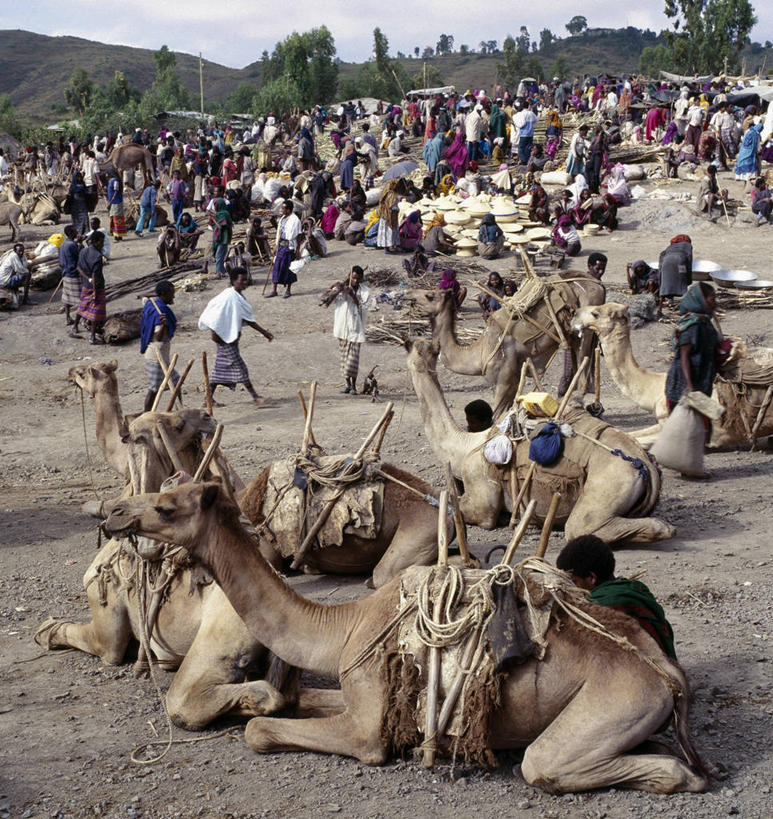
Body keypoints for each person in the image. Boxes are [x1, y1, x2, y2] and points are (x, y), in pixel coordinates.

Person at [556, 535, 677, 659]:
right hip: (670, 664)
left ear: (591, 578)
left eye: (574, 582)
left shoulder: (601, 605)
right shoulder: (634, 588)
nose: (572, 588)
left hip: (645, 671)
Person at [198, 267, 274, 407]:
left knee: (219, 369)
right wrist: (215, 334)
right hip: (224, 339)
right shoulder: (228, 297)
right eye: (242, 280)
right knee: (240, 367)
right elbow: (215, 317)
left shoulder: (237, 296)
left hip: (229, 339)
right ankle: (256, 397)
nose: (245, 282)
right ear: (234, 281)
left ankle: (207, 399)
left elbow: (246, 318)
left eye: (246, 279)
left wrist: (264, 332)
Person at [665, 282, 719, 412]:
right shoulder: (693, 327)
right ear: (700, 300)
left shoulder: (705, 323)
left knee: (704, 424)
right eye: (712, 299)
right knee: (685, 426)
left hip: (701, 381)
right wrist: (689, 385)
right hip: (685, 385)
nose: (715, 303)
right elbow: (684, 356)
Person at [328, 265, 370, 394]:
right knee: (344, 358)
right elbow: (326, 298)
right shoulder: (341, 289)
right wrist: (336, 288)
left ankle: (353, 386)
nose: (355, 281)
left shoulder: (365, 291)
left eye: (358, 279)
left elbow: (363, 307)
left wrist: (353, 295)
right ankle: (347, 385)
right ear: (350, 277)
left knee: (353, 360)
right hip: (342, 328)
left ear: (362, 278)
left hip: (356, 329)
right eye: (353, 278)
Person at [140, 280, 180, 412]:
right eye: (171, 294)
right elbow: (158, 336)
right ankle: (145, 417)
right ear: (163, 294)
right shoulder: (160, 311)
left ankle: (179, 411)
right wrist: (163, 324)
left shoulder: (151, 303)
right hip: (156, 358)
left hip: (163, 357)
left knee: (176, 382)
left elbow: (145, 298)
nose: (173, 297)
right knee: (154, 390)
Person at [71, 231, 107, 344]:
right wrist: (95, 291)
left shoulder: (83, 251)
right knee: (94, 312)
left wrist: (87, 279)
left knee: (82, 305)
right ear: (95, 242)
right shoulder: (97, 256)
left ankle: (75, 326)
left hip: (86, 285)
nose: (103, 244)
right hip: (97, 287)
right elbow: (95, 275)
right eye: (101, 242)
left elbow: (78, 268)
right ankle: (92, 336)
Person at [267, 199, 301, 298]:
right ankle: (274, 290)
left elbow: (299, 235)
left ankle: (288, 290)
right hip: (281, 245)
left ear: (289, 210)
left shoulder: (295, 220)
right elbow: (279, 231)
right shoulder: (282, 218)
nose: (282, 210)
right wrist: (276, 245)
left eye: (283, 208)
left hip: (289, 246)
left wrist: (298, 249)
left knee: (289, 268)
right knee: (276, 267)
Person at [658, 234, 693, 310]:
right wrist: (689, 279)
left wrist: (660, 277)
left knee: (665, 285)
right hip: (680, 263)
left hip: (666, 263)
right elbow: (689, 260)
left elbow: (661, 256)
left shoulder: (669, 247)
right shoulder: (687, 245)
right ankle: (686, 307)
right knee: (682, 281)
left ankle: (659, 309)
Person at [59, 225, 81, 324]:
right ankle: (79, 322)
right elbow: (78, 257)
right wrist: (80, 245)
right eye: (75, 231)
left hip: (65, 273)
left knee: (67, 298)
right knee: (80, 299)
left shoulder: (63, 244)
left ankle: (67, 318)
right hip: (73, 274)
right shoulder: (72, 245)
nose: (77, 232)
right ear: (71, 233)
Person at [106, 171, 126, 241]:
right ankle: (117, 235)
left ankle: (117, 236)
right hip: (114, 202)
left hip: (116, 203)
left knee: (117, 219)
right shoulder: (113, 181)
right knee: (115, 218)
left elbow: (115, 192)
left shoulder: (115, 181)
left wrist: (110, 202)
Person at [69, 171, 89, 237]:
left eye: (80, 177)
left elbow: (86, 192)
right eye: (77, 177)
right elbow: (71, 192)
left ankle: (85, 231)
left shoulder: (83, 184)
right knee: (76, 219)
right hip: (75, 205)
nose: (79, 178)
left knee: (84, 218)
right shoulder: (73, 185)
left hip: (83, 204)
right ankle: (77, 232)